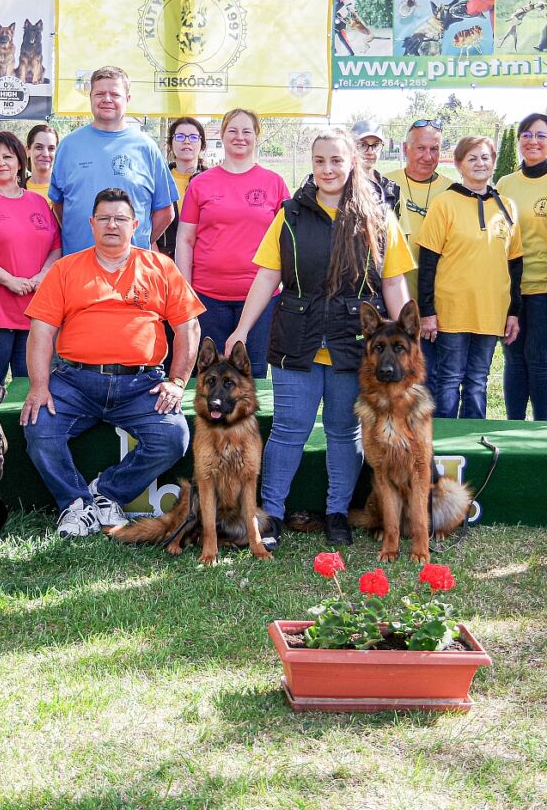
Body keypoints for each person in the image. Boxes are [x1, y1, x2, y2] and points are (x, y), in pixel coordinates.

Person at [225, 128, 414, 549]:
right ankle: (270, 513)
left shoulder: (380, 217)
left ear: (352, 163)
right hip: (298, 338)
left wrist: (403, 335)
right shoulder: (290, 214)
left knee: (342, 430)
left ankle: (336, 512)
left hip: (352, 344)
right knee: (289, 430)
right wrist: (241, 328)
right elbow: (267, 276)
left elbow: (393, 281)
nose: (328, 169)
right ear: (311, 164)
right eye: (319, 161)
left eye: (336, 161)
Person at [20, 188, 203, 539]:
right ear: (91, 224)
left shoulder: (160, 267)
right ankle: (75, 504)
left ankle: (106, 492)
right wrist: (39, 386)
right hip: (75, 381)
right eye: (104, 218)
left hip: (141, 384)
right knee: (39, 426)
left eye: (120, 218)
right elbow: (41, 332)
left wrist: (178, 381)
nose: (112, 225)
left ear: (135, 224)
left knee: (173, 437)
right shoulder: (65, 269)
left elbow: (188, 327)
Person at [175, 108, 290, 377]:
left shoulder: (274, 183)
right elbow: (185, 239)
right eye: (233, 131)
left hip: (260, 300)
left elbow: (287, 242)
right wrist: (185, 291)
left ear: (256, 137)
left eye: (247, 131)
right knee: (207, 378)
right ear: (223, 136)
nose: (240, 137)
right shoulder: (201, 184)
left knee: (252, 377)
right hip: (207, 299)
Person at [417, 135, 523, 420]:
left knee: (478, 380)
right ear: (459, 164)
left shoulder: (507, 207)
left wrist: (513, 312)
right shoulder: (445, 204)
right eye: (472, 158)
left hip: (491, 311)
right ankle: (445, 442)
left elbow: (515, 263)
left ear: (493, 163)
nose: (480, 163)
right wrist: (427, 311)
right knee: (449, 378)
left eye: (485, 158)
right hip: (453, 309)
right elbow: (428, 262)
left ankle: (473, 442)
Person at [47, 66, 176, 255]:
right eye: (100, 93)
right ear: (90, 97)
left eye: (114, 94)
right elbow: (59, 206)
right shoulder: (68, 146)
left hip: (131, 268)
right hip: (77, 267)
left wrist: (138, 243)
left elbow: (165, 212)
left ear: (128, 99)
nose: (107, 99)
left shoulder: (146, 147)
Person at [0, 130, 61, 381]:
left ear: (20, 161)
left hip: (35, 313)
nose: (1, 163)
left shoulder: (39, 202)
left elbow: (56, 246)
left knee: (31, 390)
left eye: (7, 157)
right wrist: (9, 280)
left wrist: (44, 274)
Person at [495, 113, 547, 422]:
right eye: (527, 135)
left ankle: (542, 427)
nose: (533, 141)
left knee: (540, 359)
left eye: (541, 135)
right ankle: (514, 426)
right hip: (511, 289)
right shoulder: (505, 183)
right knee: (514, 359)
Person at [386, 118, 452, 367]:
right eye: (420, 148)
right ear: (405, 149)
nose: (427, 156)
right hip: (393, 296)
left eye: (434, 149)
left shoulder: (451, 189)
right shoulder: (385, 184)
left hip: (437, 302)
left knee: (435, 375)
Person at [159, 115, 207, 257]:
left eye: (193, 137)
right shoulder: (159, 179)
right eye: (180, 137)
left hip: (203, 257)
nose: (186, 142)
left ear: (202, 144)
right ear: (170, 144)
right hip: (167, 257)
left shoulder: (213, 181)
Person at [352, 120, 399, 212]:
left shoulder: (391, 189)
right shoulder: (340, 186)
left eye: (376, 145)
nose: (370, 151)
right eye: (362, 144)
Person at [25, 124, 58, 199]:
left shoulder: (65, 190)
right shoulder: (15, 190)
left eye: (51, 148)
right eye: (39, 147)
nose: (45, 154)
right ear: (28, 151)